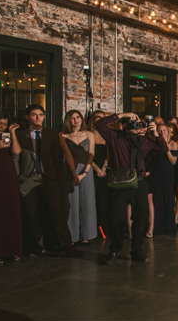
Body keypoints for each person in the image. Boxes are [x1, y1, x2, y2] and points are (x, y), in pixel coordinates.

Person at [95, 112, 168, 265]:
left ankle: (136, 250)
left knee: (141, 217)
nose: (136, 125)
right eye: (132, 122)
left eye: (137, 122)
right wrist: (121, 114)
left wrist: (155, 132)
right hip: (120, 181)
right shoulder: (115, 136)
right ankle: (115, 249)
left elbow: (163, 148)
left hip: (139, 182)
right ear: (124, 124)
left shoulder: (144, 140)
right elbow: (99, 124)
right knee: (115, 217)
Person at [15, 104, 74, 256]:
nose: (38, 118)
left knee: (57, 213)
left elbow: (58, 158)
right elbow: (16, 157)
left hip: (49, 178)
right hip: (29, 179)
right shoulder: (21, 135)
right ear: (28, 117)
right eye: (34, 115)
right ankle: (37, 246)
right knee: (32, 214)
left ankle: (66, 244)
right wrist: (20, 177)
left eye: (41, 115)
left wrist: (56, 176)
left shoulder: (52, 135)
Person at [59, 110, 97, 245]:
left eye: (78, 117)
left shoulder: (89, 134)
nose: (76, 120)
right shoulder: (62, 136)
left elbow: (91, 154)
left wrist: (85, 173)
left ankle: (87, 234)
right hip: (69, 171)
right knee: (71, 203)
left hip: (86, 169)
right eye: (72, 118)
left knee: (87, 201)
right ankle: (71, 236)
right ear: (68, 120)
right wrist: (74, 174)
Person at [0, 113, 23, 263]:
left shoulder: (7, 135)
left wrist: (12, 133)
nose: (2, 127)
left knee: (12, 212)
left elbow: (16, 151)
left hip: (9, 177)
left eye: (4, 124)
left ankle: (13, 250)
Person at [150, 123, 178, 236]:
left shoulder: (173, 144)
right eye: (160, 131)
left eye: (164, 130)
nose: (163, 133)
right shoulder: (154, 144)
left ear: (168, 131)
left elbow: (173, 161)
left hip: (168, 174)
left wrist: (166, 149)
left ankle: (169, 227)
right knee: (157, 199)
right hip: (156, 174)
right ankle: (157, 227)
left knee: (168, 198)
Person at [89, 111, 110, 239]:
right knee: (92, 200)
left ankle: (104, 229)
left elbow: (109, 154)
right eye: (98, 120)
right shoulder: (88, 134)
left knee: (104, 200)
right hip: (91, 169)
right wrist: (96, 168)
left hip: (104, 171)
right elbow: (86, 155)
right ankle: (91, 229)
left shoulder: (106, 135)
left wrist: (104, 167)